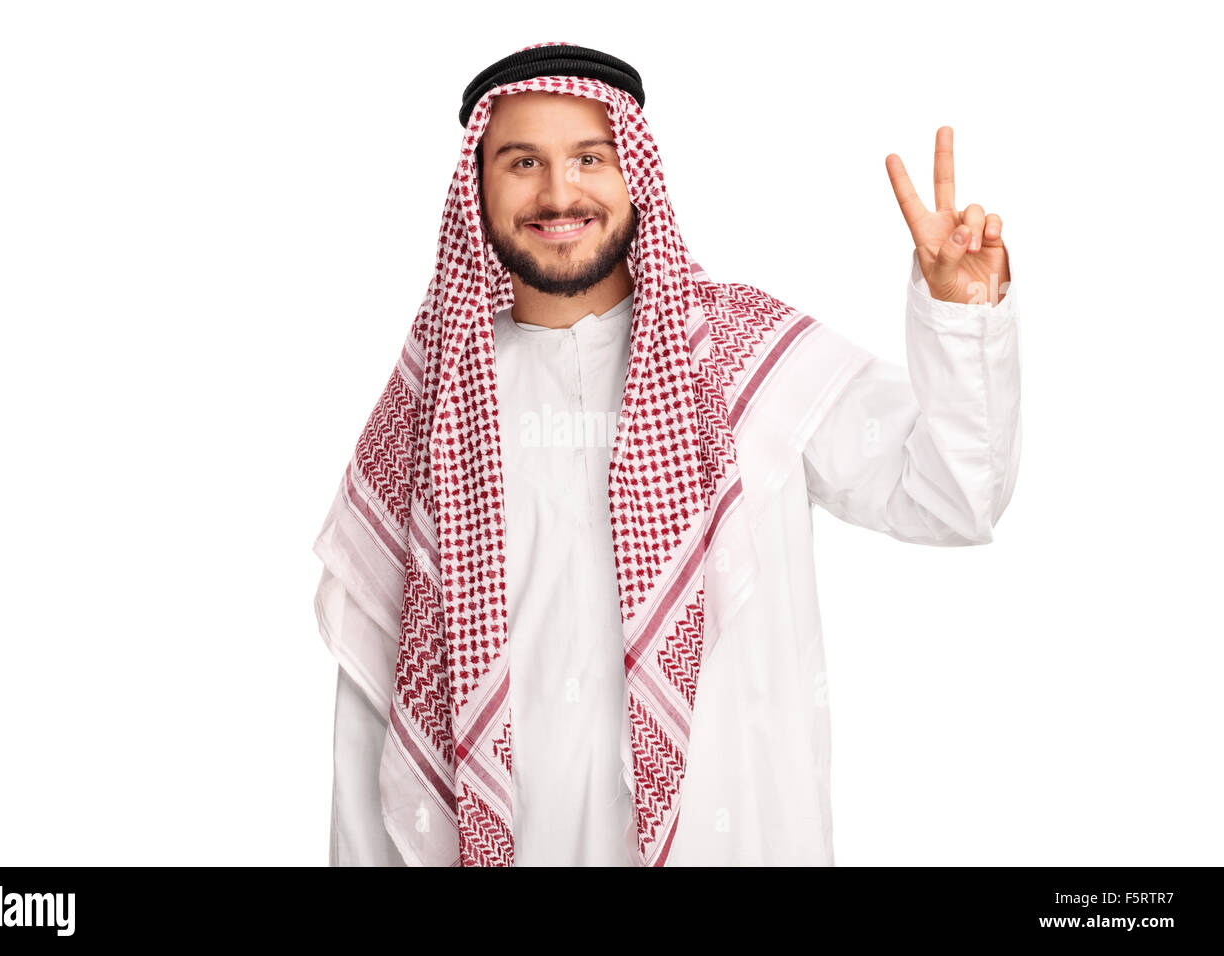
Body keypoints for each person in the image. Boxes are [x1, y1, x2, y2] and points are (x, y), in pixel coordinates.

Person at [311, 42, 1021, 867]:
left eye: (589, 157)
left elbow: (951, 496)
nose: (558, 191)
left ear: (635, 175)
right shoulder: (430, 410)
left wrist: (963, 318)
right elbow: (374, 711)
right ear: (477, 187)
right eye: (522, 161)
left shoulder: (744, 358)